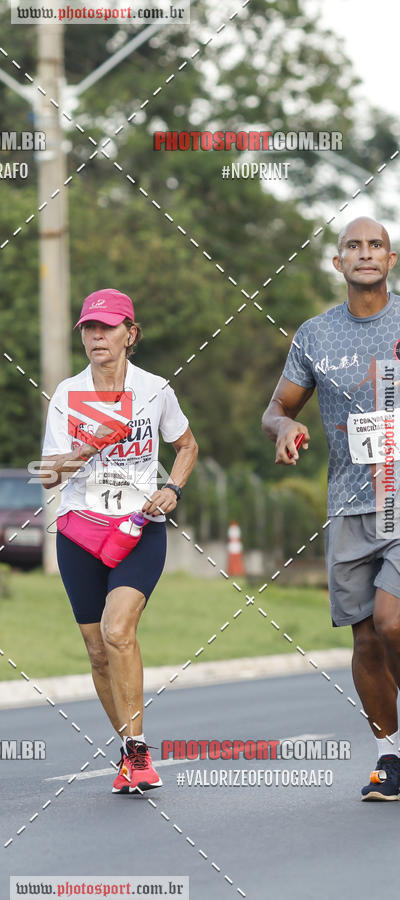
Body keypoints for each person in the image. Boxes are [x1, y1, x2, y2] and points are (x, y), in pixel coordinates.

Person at [262, 216, 400, 800]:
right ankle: (389, 757)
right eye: (353, 246)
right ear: (337, 262)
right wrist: (285, 425)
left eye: (377, 245)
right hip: (348, 506)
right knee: (366, 638)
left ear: (391, 260)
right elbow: (276, 406)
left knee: (394, 621)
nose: (365, 254)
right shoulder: (316, 335)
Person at [40, 289, 198, 794]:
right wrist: (90, 445)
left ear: (131, 334)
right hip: (81, 529)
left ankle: (138, 751)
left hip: (138, 526)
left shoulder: (155, 390)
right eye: (89, 328)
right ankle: (128, 750)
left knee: (117, 628)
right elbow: (47, 474)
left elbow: (187, 445)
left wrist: (172, 487)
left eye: (107, 327)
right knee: (95, 650)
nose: (96, 337)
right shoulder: (68, 394)